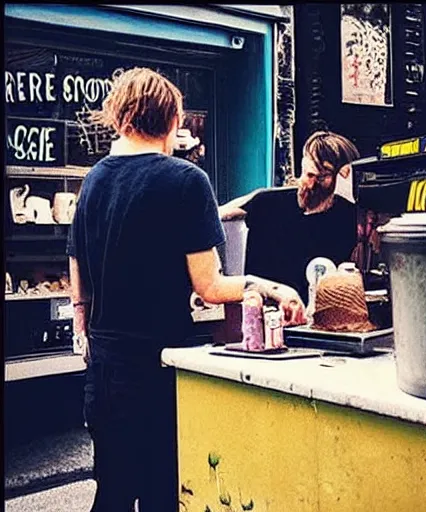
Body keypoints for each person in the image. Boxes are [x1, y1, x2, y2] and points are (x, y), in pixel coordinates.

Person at [67, 67, 306, 512]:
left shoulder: (93, 180)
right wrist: (271, 288)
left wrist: (84, 327)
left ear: (119, 117)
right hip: (158, 368)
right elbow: (210, 286)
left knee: (113, 492)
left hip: (104, 370)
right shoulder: (185, 180)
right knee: (164, 493)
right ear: (174, 121)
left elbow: (76, 264)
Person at [218, 131, 361, 304]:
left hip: (322, 317)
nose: (312, 183)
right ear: (303, 165)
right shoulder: (267, 201)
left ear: (342, 174)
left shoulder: (350, 216)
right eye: (309, 174)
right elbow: (217, 215)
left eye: (323, 176)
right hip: (266, 313)